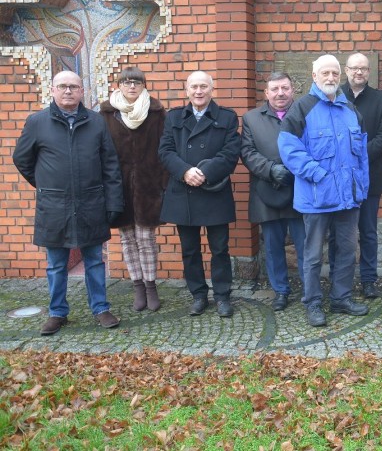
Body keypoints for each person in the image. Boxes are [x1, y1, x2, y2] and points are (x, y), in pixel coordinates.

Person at [13, 70, 124, 335]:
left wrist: (114, 202)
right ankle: (57, 312)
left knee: (95, 261)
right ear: (52, 90)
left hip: (91, 203)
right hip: (54, 206)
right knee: (56, 263)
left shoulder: (96, 122)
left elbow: (110, 165)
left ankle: (100, 308)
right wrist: (46, 184)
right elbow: (22, 159)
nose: (68, 91)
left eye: (73, 87)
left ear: (81, 91)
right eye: (62, 86)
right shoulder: (37, 122)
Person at [279, 54, 370, 327]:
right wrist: (317, 173)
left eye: (334, 73)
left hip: (347, 198)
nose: (330, 78)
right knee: (313, 255)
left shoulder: (351, 110)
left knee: (345, 251)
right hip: (317, 197)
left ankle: (341, 299)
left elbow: (361, 154)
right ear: (314, 75)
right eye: (325, 73)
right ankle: (313, 303)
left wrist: (361, 186)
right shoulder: (302, 108)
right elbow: (288, 149)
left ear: (340, 76)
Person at [159, 71, 240, 318]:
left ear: (211, 89)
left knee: (219, 249)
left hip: (213, 190)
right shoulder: (173, 117)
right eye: (193, 87)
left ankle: (223, 296)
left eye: (203, 86)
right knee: (190, 249)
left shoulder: (227, 117)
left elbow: (230, 153)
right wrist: (185, 171)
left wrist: (204, 172)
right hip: (183, 191)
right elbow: (165, 151)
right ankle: (198, 295)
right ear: (187, 90)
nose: (198, 91)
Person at [99, 67, 168, 312]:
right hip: (119, 184)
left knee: (146, 238)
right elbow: (101, 151)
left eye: (136, 83)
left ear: (143, 85)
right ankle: (137, 286)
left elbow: (165, 149)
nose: (131, 87)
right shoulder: (106, 113)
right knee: (127, 239)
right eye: (126, 82)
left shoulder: (157, 112)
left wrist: (163, 182)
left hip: (148, 183)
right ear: (119, 85)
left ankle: (151, 286)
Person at [328, 53, 382, 298]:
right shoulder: (334, 96)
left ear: (369, 72)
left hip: (370, 177)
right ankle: (336, 278)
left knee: (367, 231)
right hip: (339, 178)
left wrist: (357, 156)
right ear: (346, 70)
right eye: (354, 68)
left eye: (363, 69)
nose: (359, 73)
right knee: (337, 232)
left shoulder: (380, 99)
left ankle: (368, 280)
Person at [240, 71, 306, 311]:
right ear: (266, 93)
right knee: (273, 245)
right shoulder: (251, 118)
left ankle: (310, 290)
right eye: (275, 89)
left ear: (293, 90)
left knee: (304, 245)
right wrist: (270, 170)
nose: (280, 93)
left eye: (285, 88)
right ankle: (280, 290)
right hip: (267, 191)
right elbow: (247, 152)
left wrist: (294, 169)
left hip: (300, 190)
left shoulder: (305, 113)